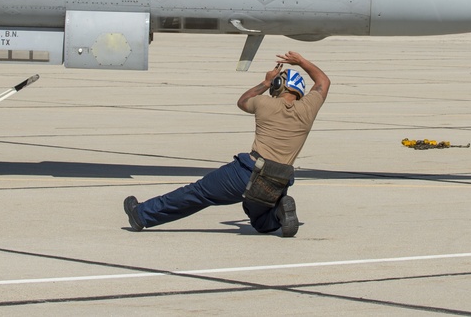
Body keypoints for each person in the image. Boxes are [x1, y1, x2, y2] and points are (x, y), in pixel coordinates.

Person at [124, 51, 330, 237]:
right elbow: (323, 81)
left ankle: (141, 214)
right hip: (279, 179)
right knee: (260, 221)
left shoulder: (264, 103)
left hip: (248, 173)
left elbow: (243, 101)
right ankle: (278, 212)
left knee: (198, 193)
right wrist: (302, 61)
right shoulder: (308, 109)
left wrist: (265, 83)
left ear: (278, 85)